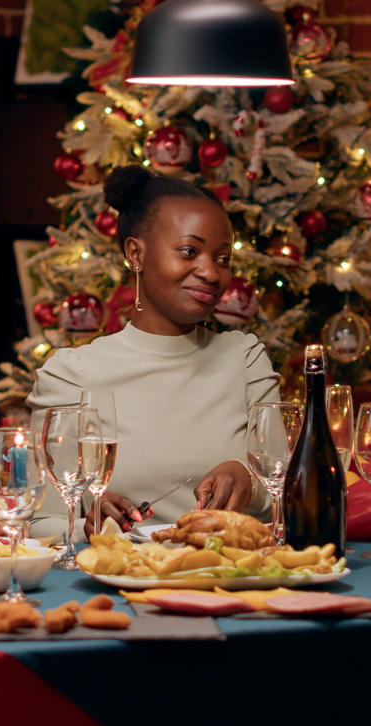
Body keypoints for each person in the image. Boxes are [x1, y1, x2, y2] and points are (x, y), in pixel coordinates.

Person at [27, 165, 279, 539]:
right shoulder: (70, 375)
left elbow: (288, 490)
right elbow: (37, 522)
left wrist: (249, 481)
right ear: (136, 254)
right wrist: (90, 525)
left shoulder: (245, 360)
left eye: (223, 258)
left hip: (233, 579)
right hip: (123, 587)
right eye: (189, 251)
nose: (211, 272)